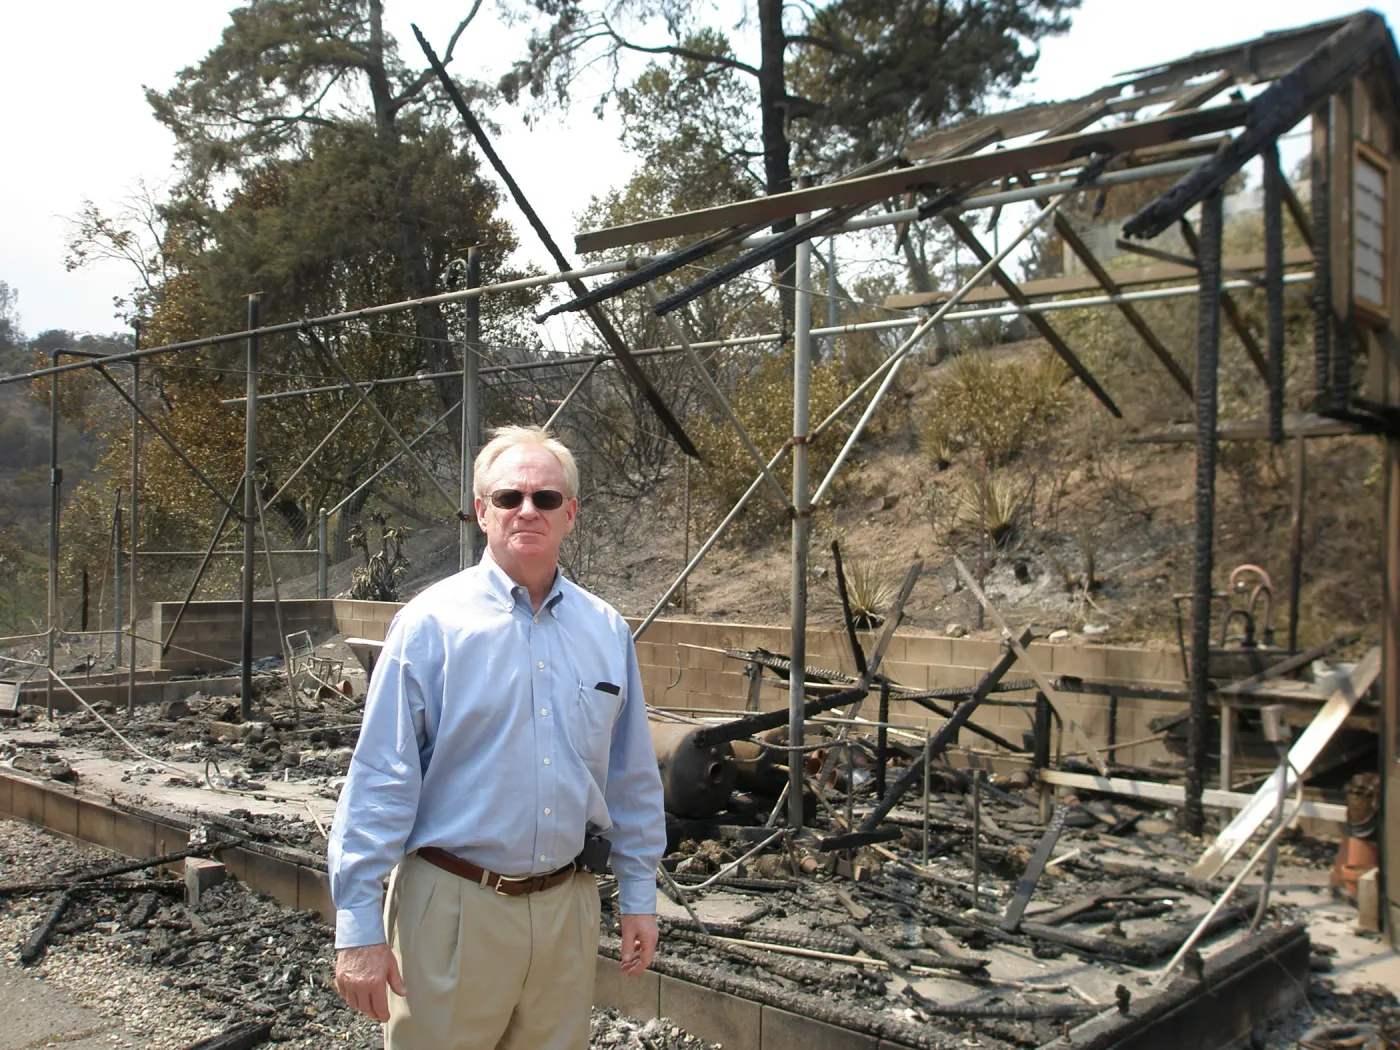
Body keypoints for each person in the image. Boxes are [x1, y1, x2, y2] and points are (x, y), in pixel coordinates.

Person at [327, 425, 666, 1050]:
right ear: (482, 512)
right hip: (453, 908)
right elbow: (381, 777)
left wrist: (639, 893)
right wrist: (358, 925)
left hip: (567, 909)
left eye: (545, 497)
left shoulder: (606, 631)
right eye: (509, 497)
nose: (527, 510)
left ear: (572, 514)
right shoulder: (430, 625)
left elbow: (631, 776)